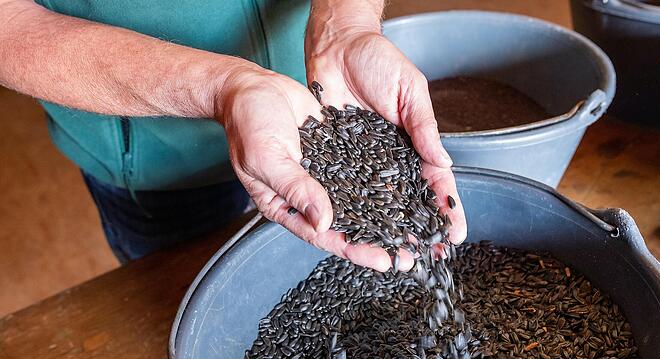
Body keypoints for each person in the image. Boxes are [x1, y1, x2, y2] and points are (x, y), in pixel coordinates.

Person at [0, 0, 466, 272]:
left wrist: (344, 24)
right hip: (158, 151)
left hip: (319, 94)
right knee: (185, 281)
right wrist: (223, 89)